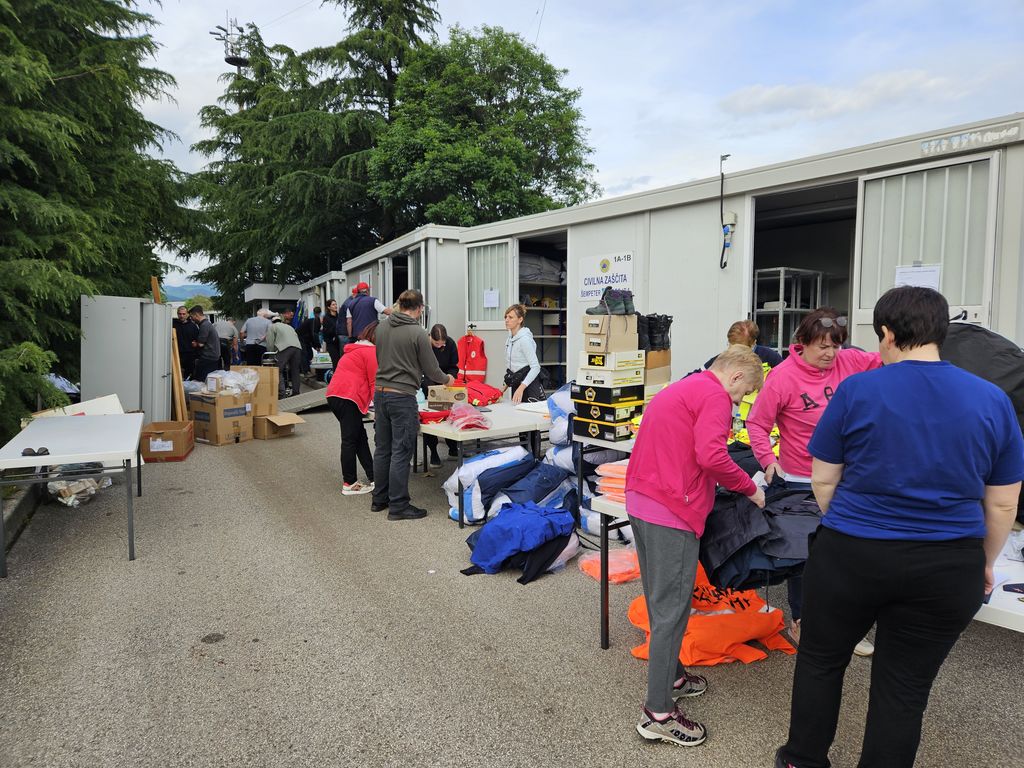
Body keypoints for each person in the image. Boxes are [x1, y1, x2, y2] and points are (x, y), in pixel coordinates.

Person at [775, 286, 1024, 768]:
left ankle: (801, 760)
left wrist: (847, 525)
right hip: (947, 562)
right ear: (942, 333)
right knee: (904, 687)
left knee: (822, 661)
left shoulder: (858, 390)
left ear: (887, 334)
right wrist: (985, 562)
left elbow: (823, 479)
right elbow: (1002, 503)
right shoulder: (992, 400)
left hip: (853, 552)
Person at [626, 345, 767, 748]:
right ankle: (658, 713)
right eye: (743, 393)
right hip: (671, 510)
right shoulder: (715, 397)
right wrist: (751, 488)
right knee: (671, 611)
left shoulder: (684, 387)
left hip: (642, 500)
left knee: (662, 603)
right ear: (736, 376)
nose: (738, 401)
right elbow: (712, 456)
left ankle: (672, 677)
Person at [745, 307, 881, 654]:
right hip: (801, 479)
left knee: (849, 554)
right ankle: (803, 622)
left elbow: (891, 361)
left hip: (848, 477)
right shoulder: (782, 377)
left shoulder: (850, 361)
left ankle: (847, 627)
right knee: (807, 558)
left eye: (836, 346)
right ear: (802, 342)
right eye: (823, 346)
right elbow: (757, 423)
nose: (830, 354)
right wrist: (768, 460)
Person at [371, 289, 453, 521]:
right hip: (402, 396)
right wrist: (448, 379)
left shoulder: (381, 327)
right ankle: (398, 506)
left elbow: (380, 358)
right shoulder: (418, 332)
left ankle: (379, 499)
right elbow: (432, 369)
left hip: (380, 394)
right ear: (419, 309)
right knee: (401, 450)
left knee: (383, 449)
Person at [325, 322, 378, 495]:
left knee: (359, 437)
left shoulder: (355, 349)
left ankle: (373, 476)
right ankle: (349, 483)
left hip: (336, 395)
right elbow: (373, 382)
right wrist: (379, 408)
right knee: (350, 440)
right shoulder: (370, 352)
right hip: (348, 397)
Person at [422, 324, 460, 466]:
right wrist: (431, 386)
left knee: (449, 415)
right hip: (428, 384)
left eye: (442, 343)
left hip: (446, 383)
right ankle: (433, 452)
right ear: (430, 337)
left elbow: (453, 366)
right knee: (430, 419)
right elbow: (422, 369)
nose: (439, 346)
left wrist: (450, 377)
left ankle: (453, 448)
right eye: (436, 343)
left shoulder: (450, 344)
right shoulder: (424, 345)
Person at [703, 319, 783, 369]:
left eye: (740, 349)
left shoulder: (771, 358)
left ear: (753, 344)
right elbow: (697, 375)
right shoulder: (721, 359)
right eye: (731, 346)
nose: (735, 353)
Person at [504, 303, 543, 403]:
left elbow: (536, 367)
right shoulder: (509, 339)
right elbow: (514, 367)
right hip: (517, 385)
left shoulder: (525, 339)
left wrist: (521, 388)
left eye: (510, 317)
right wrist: (502, 390)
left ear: (520, 319)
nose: (507, 320)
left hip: (528, 387)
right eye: (506, 317)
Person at [265, 309, 302, 398]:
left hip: (285, 348)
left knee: (278, 370)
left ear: (272, 321)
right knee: (295, 371)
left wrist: (271, 357)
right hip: (297, 348)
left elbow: (270, 343)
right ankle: (296, 393)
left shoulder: (272, 327)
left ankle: (282, 394)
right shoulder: (289, 327)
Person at [188, 306, 221, 383]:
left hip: (208, 357)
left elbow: (200, 344)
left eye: (191, 317)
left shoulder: (204, 325)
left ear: (196, 315)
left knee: (201, 381)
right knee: (209, 380)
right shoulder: (207, 324)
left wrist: (194, 344)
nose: (191, 319)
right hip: (213, 356)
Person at [172, 305, 198, 379]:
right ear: (177, 314)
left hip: (190, 355)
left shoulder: (193, 326)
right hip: (177, 354)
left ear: (187, 314)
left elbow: (197, 340)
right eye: (180, 314)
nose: (182, 316)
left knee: (189, 375)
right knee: (177, 375)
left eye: (184, 314)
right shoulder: (173, 324)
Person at [297, 306, 322, 378]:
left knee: (310, 354)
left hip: (306, 338)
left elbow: (313, 335)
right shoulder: (315, 321)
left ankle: (307, 370)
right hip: (300, 338)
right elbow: (314, 334)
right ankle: (305, 372)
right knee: (304, 354)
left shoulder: (315, 321)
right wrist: (318, 346)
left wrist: (315, 345)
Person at [322, 299, 343, 370]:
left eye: (336, 304)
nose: (335, 306)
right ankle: (336, 376)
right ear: (329, 307)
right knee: (336, 362)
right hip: (331, 343)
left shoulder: (339, 316)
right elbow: (326, 331)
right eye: (333, 305)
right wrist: (333, 334)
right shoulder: (326, 318)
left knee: (342, 362)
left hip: (340, 341)